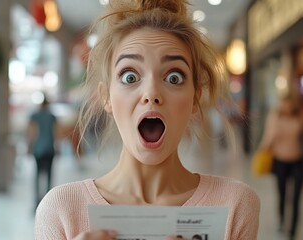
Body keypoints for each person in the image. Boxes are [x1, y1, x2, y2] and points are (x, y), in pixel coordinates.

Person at [35, 0, 260, 239]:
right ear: (106, 96)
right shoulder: (61, 209)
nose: (151, 93)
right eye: (130, 76)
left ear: (195, 98)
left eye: (174, 77)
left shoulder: (235, 205)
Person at [257, 94, 303, 240]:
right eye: (283, 102)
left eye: (289, 103)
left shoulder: (301, 117)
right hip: (280, 162)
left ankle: (292, 232)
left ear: (294, 104)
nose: (286, 106)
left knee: (296, 198)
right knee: (282, 194)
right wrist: (261, 153)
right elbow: (267, 138)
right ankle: (281, 220)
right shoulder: (274, 116)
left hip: (297, 162)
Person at [27, 95, 58, 209]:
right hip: (49, 148)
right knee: (49, 175)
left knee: (37, 175)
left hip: (38, 149)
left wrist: (29, 146)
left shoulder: (34, 116)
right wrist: (57, 146)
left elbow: (32, 132)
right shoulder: (52, 117)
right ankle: (48, 201)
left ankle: (37, 201)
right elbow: (55, 133)